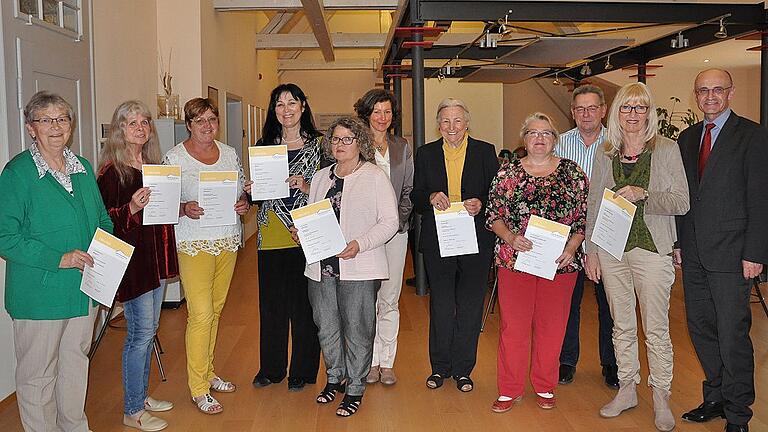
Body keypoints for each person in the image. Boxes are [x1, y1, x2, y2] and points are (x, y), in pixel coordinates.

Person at [0, 91, 113, 431]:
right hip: (40, 295)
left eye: (62, 119)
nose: (55, 127)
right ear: (30, 128)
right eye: (45, 120)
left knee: (75, 367)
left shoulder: (82, 168)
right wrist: (59, 258)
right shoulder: (18, 173)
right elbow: (5, 237)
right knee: (38, 377)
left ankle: (76, 427)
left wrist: (109, 256)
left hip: (82, 291)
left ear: (71, 125)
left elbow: (103, 221)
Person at [584, 82, 689, 432]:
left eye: (640, 107)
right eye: (626, 108)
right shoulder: (606, 152)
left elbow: (681, 201)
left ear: (649, 112)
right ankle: (627, 388)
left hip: (652, 251)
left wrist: (645, 193)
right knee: (621, 325)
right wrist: (592, 252)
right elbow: (594, 204)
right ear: (616, 113)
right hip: (612, 251)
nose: (633, 114)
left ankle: (660, 396)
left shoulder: (667, 149)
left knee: (656, 330)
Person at [675, 69, 768, 432]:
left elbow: (760, 198)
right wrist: (680, 243)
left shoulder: (753, 135)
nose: (709, 96)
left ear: (730, 93)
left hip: (734, 254)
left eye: (717, 90)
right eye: (702, 91)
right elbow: (685, 199)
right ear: (695, 95)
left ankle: (738, 412)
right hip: (695, 253)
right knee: (702, 329)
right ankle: (714, 396)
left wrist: (755, 253)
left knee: (732, 334)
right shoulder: (687, 138)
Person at [295, 116, 398, 417]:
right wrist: (301, 231)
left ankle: (355, 387)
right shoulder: (320, 177)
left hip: (359, 265)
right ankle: (334, 377)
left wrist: (360, 244)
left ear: (360, 143)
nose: (340, 144)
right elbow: (311, 214)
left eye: (347, 139)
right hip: (321, 267)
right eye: (336, 139)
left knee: (358, 329)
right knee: (326, 327)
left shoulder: (374, 176)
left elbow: (390, 222)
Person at [486, 112, 587, 413]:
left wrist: (573, 246)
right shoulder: (507, 173)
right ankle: (510, 388)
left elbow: (583, 216)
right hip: (515, 261)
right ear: (524, 138)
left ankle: (545, 385)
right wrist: (510, 237)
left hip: (560, 263)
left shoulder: (572, 172)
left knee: (552, 327)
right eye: (533, 133)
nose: (539, 138)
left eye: (546, 133)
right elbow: (493, 216)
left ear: (555, 139)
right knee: (513, 326)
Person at [163, 97, 250, 415]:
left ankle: (209, 372)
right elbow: (161, 202)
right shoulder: (175, 157)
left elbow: (241, 191)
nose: (207, 126)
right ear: (188, 124)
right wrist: (183, 208)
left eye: (212, 119)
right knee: (199, 314)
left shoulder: (228, 153)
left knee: (215, 310)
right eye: (199, 120)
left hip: (226, 239)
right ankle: (198, 388)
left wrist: (243, 203)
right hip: (194, 243)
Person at [97, 100, 179, 431]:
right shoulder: (111, 172)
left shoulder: (153, 166)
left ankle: (140, 397)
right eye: (132, 123)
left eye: (145, 122)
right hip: (133, 265)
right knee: (140, 335)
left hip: (155, 260)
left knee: (149, 332)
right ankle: (132, 411)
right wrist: (130, 207)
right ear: (119, 130)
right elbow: (104, 221)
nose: (141, 128)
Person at [411, 98, 499, 393]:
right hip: (440, 239)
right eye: (446, 121)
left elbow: (497, 194)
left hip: (476, 239)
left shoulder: (485, 151)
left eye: (457, 121)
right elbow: (416, 196)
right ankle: (439, 368)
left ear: (466, 123)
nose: (452, 127)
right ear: (439, 124)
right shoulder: (425, 153)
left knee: (471, 306)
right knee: (442, 305)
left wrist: (482, 203)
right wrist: (431, 196)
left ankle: (463, 369)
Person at [251, 84, 322, 392]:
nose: (286, 109)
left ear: (303, 106)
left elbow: (331, 191)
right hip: (271, 233)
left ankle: (303, 371)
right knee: (271, 306)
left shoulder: (321, 146)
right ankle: (272, 368)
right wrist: (250, 191)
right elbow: (258, 196)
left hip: (307, 232)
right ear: (273, 111)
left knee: (305, 306)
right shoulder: (264, 145)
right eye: (279, 104)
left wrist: (305, 185)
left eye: (292, 102)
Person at [554, 84, 618, 389]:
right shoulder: (560, 144)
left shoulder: (617, 143)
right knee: (568, 301)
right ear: (572, 112)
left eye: (592, 108)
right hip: (569, 236)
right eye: (580, 109)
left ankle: (612, 363)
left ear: (603, 111)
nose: (586, 114)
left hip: (607, 234)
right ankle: (566, 360)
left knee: (610, 302)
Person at [354, 89, 413, 385]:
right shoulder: (356, 145)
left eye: (387, 112)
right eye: (376, 111)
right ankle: (370, 361)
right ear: (366, 114)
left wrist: (396, 223)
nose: (382, 117)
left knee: (389, 299)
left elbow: (408, 191)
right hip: (364, 236)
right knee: (366, 299)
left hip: (396, 233)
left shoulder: (402, 146)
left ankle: (386, 361)